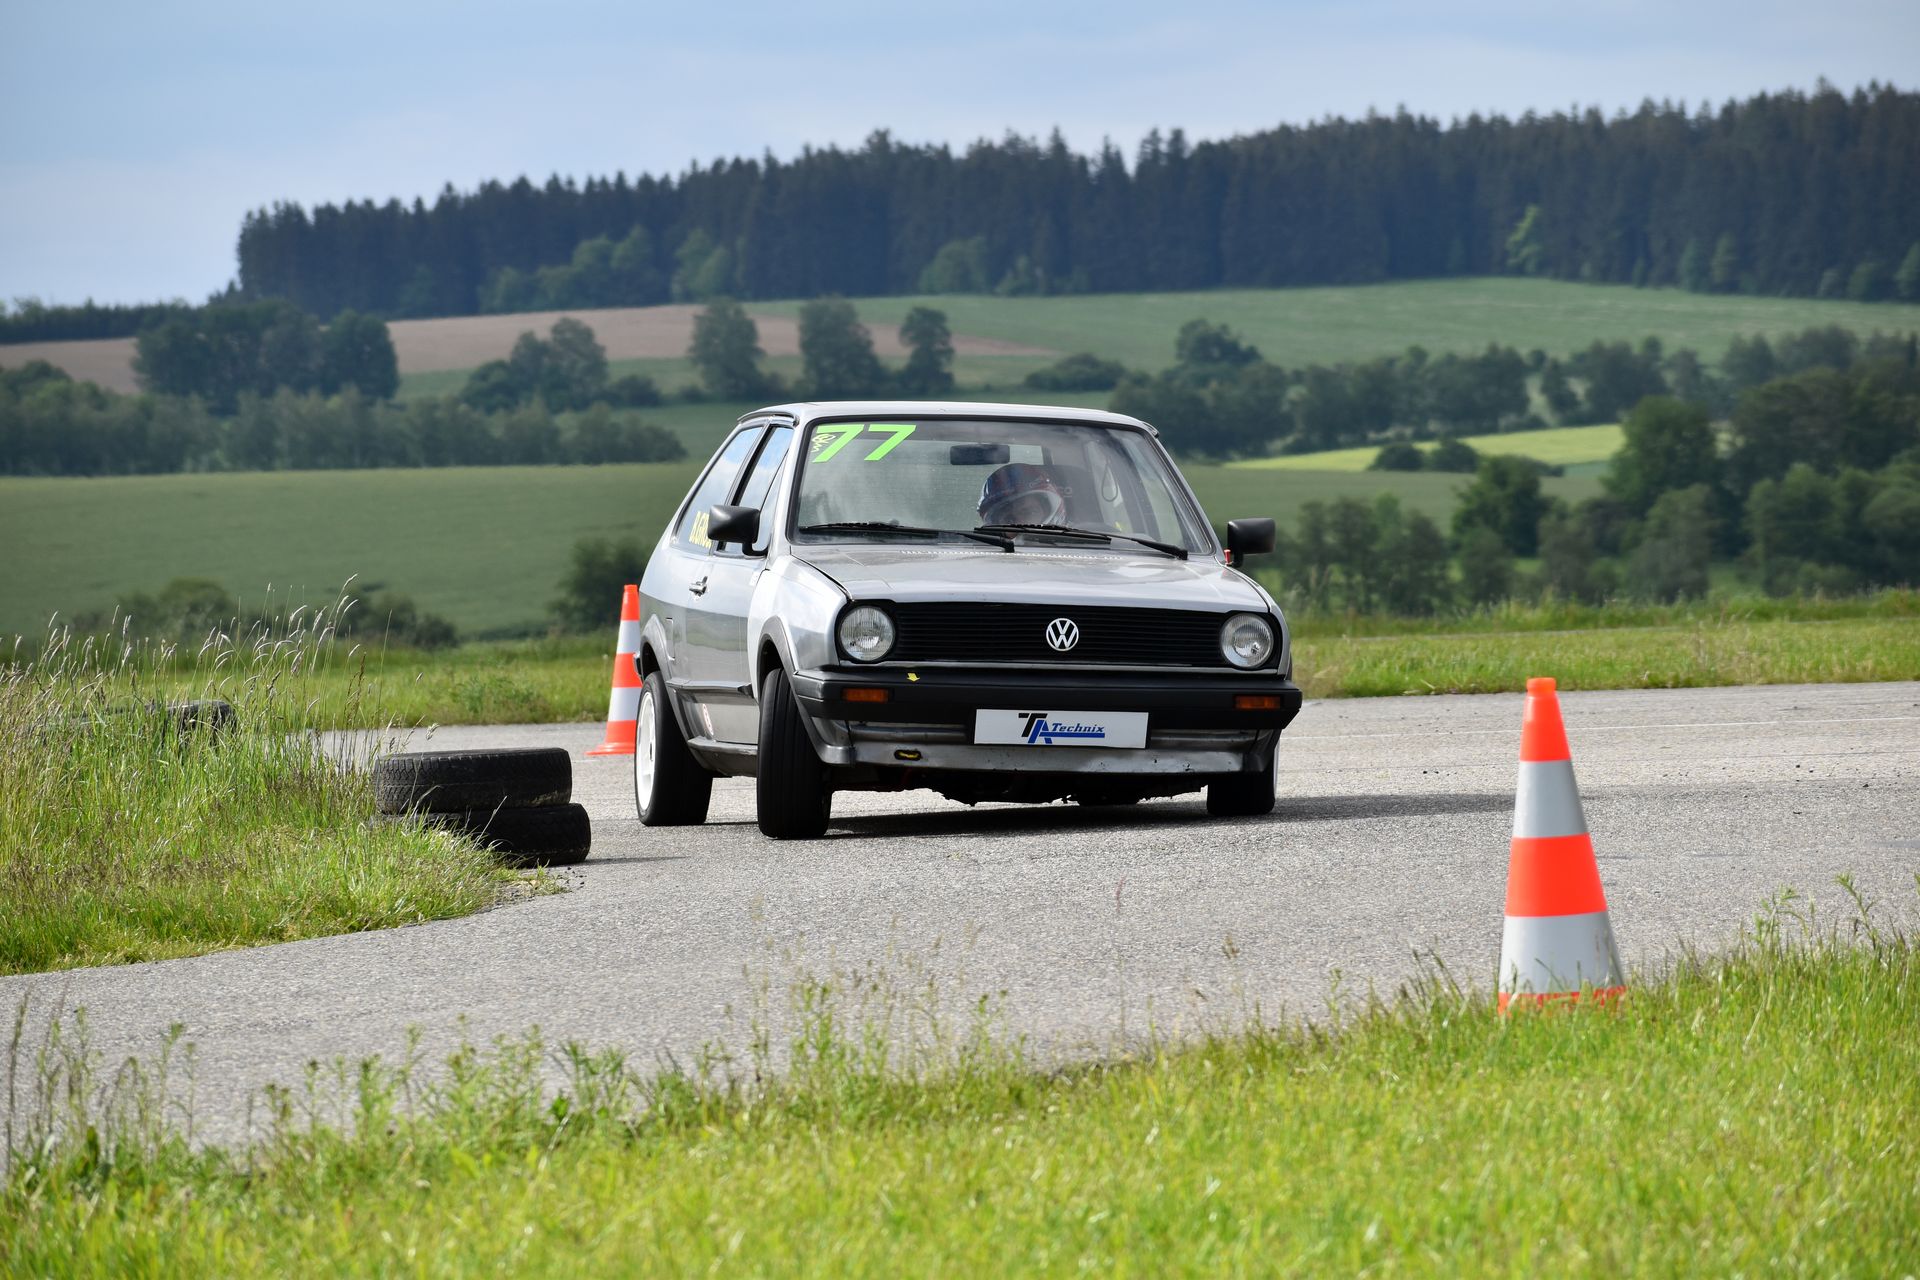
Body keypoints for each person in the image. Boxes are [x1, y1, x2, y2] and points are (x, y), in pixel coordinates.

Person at [977, 462, 1068, 526]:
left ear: (1049, 509)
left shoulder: (1075, 545)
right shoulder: (982, 547)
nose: (1020, 523)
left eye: (1028, 513)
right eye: (1009, 520)